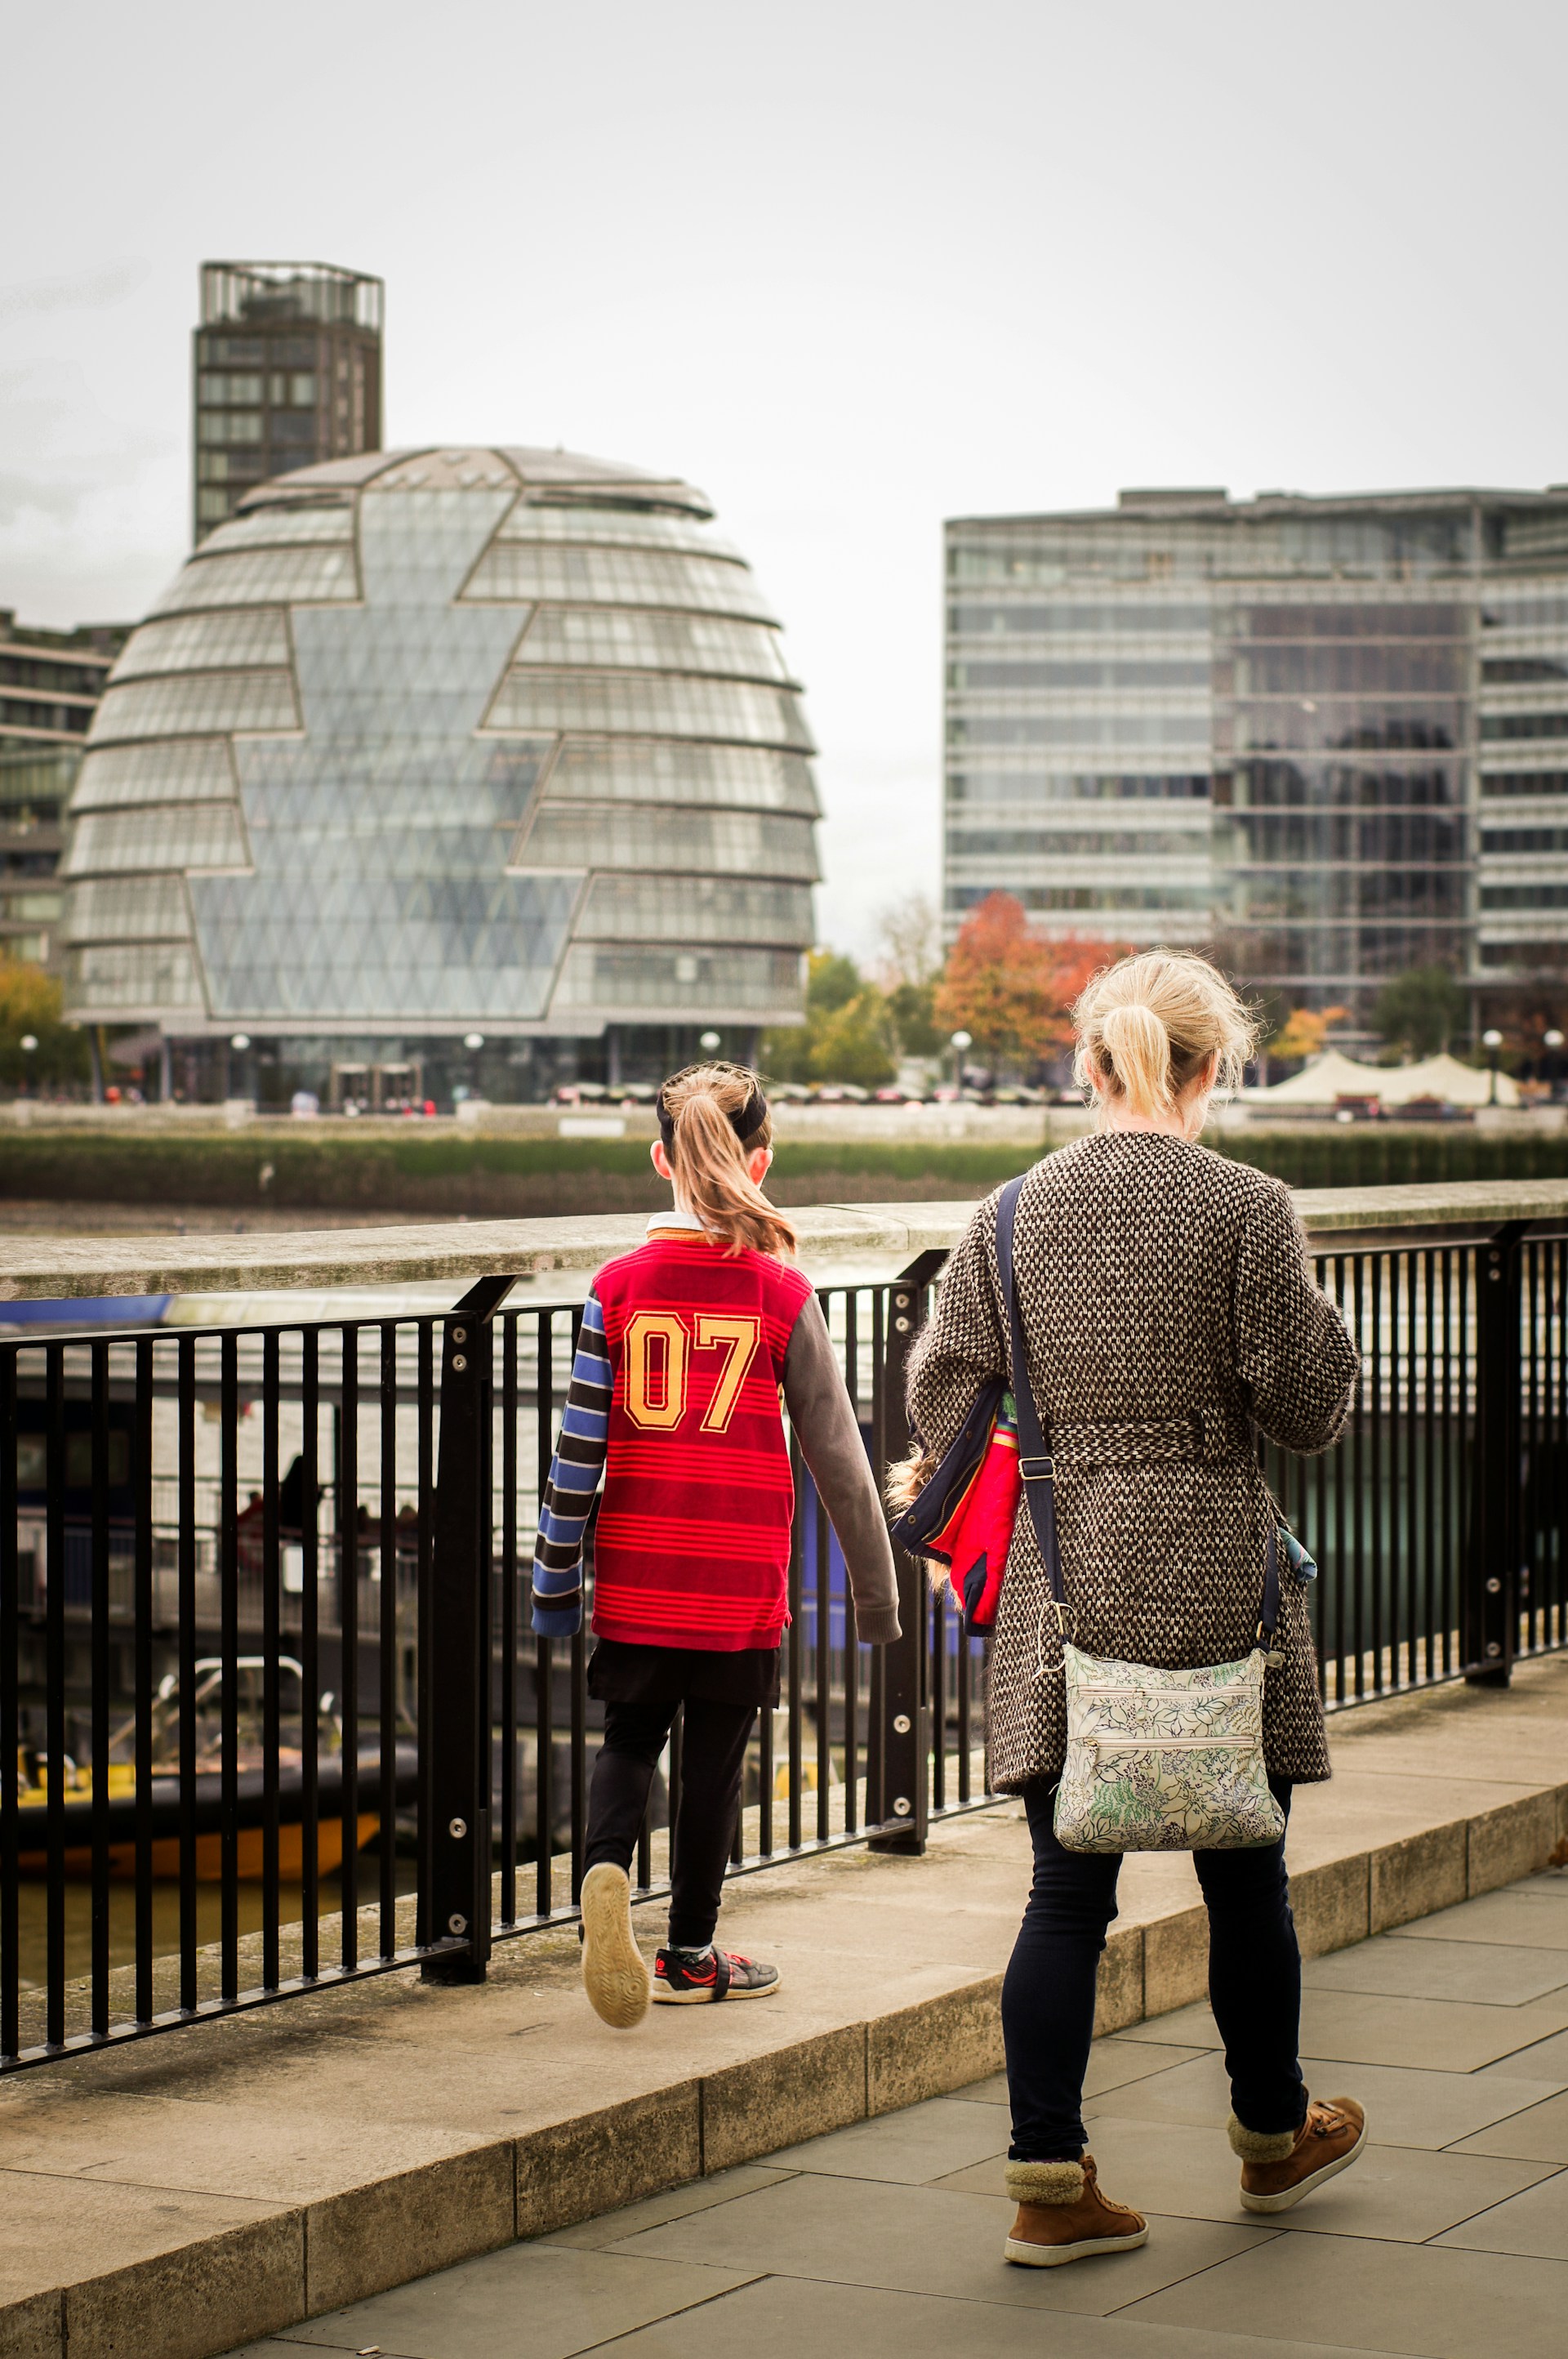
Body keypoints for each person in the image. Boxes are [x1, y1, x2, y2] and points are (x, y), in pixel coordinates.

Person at [902, 951, 1364, 2266]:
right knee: (1246, 1877)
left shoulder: (1005, 1217)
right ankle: (1273, 2140)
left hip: (1067, 1578)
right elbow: (1309, 1412)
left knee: (1064, 1897)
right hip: (1220, 1576)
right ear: (1211, 1069)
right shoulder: (1248, 1207)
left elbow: (944, 1397)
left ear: (1088, 1063)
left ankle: (1049, 2183)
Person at [532, 1060, 901, 2027]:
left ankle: (606, 1872)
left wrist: (554, 1581)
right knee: (713, 1768)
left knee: (628, 1739)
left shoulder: (614, 1288)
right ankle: (690, 1951)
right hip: (738, 1583)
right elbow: (840, 1458)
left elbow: (577, 1454)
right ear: (762, 1160)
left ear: (662, 1160)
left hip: (639, 1573)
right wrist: (877, 1593)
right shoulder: (781, 1291)